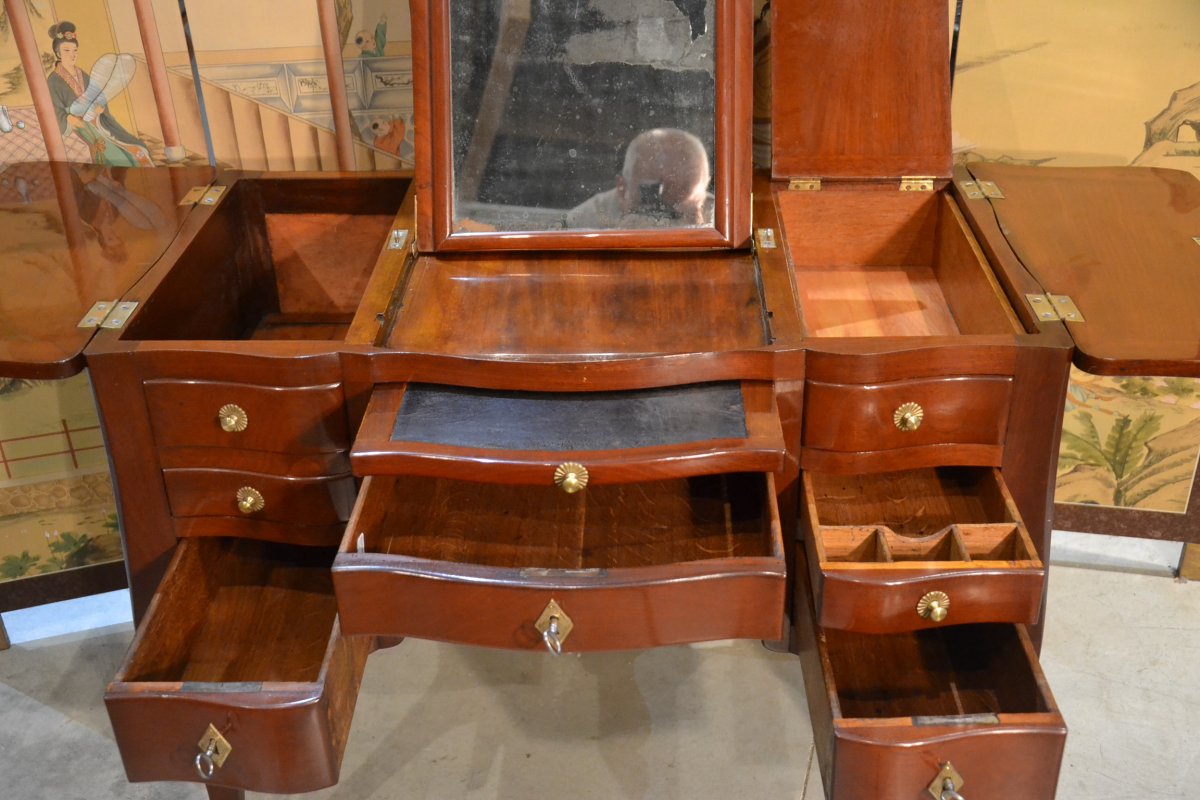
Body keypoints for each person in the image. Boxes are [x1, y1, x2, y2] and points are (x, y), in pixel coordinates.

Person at [46, 21, 153, 168]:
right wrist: (69, 118)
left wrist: (100, 108)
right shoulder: (53, 81)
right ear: (58, 53)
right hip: (81, 126)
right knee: (120, 155)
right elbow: (55, 110)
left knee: (137, 148)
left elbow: (98, 97)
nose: (72, 55)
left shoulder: (82, 74)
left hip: (98, 121)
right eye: (67, 50)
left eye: (75, 50)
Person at [566, 128, 713, 229]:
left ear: (704, 187)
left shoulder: (723, 221)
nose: (664, 215)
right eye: (654, 194)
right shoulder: (588, 219)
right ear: (622, 188)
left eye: (682, 194)